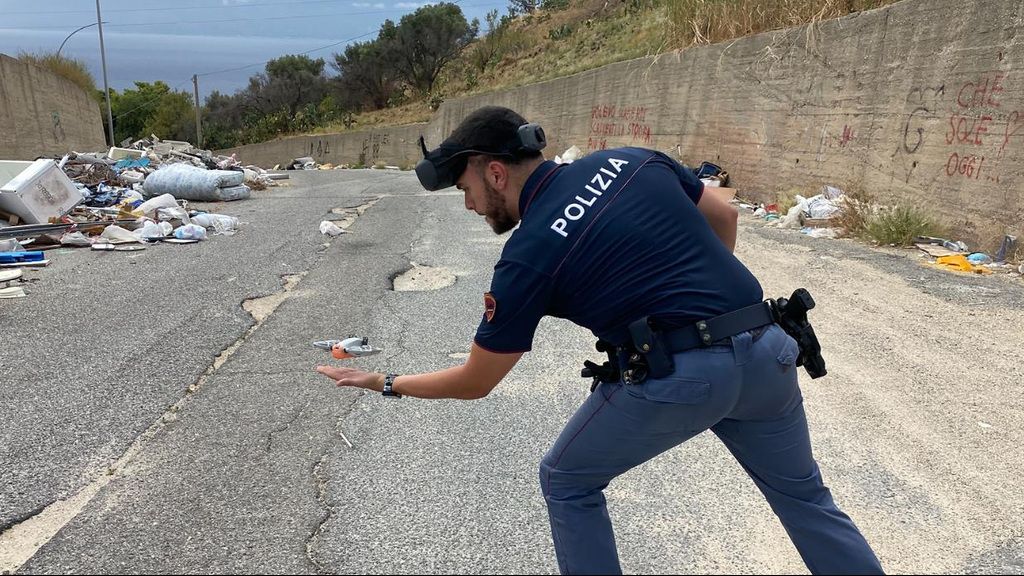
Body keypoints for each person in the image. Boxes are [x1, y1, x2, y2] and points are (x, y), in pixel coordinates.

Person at [315, 106, 883, 575]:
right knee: (807, 499)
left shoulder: (527, 256)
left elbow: (476, 381)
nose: (468, 205)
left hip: (683, 378)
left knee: (566, 480)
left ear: (495, 173)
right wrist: (711, 310)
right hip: (768, 349)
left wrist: (383, 381)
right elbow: (725, 213)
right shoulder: (629, 160)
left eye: (465, 188)